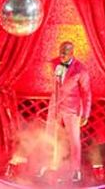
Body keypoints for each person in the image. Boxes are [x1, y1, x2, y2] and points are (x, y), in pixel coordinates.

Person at [44, 41, 91, 182]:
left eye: (65, 52)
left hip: (72, 109)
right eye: (60, 51)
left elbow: (86, 92)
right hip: (55, 107)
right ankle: (51, 164)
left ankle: (75, 170)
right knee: (51, 135)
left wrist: (86, 113)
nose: (61, 55)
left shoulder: (81, 70)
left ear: (72, 53)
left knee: (74, 140)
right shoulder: (53, 64)